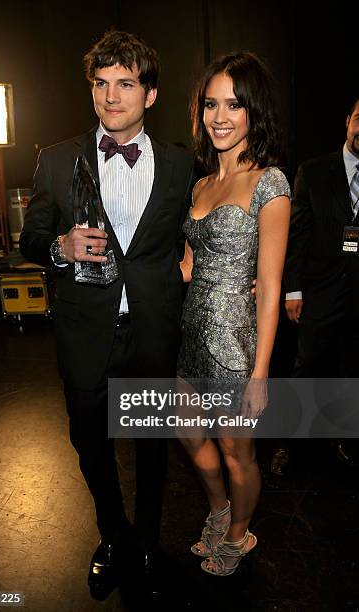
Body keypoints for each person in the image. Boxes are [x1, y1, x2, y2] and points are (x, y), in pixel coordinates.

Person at [20, 30, 194, 601]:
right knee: (88, 442)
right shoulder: (56, 159)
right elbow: (30, 239)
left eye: (125, 83)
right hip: (83, 332)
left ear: (151, 94)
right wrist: (59, 249)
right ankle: (113, 535)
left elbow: (194, 236)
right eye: (101, 83)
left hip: (151, 331)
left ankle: (145, 539)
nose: (111, 96)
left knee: (151, 444)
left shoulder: (179, 166)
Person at [178, 51, 291, 576]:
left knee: (235, 450)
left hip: (235, 343)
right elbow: (185, 268)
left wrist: (261, 374)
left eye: (234, 105)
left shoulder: (270, 184)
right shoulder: (201, 185)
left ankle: (240, 534)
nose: (220, 116)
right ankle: (219, 510)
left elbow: (269, 286)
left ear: (253, 112)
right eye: (210, 104)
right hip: (190, 334)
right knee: (189, 433)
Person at [282, 95, 359, 468]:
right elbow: (297, 236)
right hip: (318, 291)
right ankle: (292, 446)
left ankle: (343, 440)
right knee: (306, 366)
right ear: (348, 120)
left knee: (350, 370)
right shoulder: (312, 171)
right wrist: (292, 289)